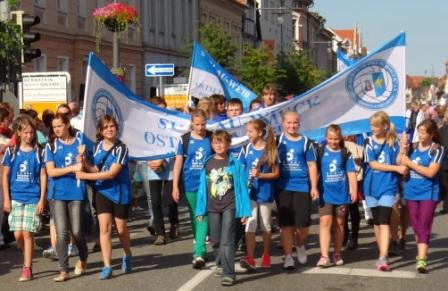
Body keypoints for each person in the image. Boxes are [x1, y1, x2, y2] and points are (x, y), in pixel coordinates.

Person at [76, 115, 133, 279]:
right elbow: (95, 169)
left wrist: (84, 176)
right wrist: (84, 161)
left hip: (119, 192)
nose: (110, 129)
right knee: (105, 228)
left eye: (112, 126)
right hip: (102, 192)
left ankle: (127, 253)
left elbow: (111, 174)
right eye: (106, 127)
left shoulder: (121, 148)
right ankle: (107, 266)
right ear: (100, 131)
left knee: (121, 228)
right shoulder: (97, 146)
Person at [196, 130, 251, 286]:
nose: (218, 145)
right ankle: (220, 263)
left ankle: (229, 273)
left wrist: (245, 211)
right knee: (215, 240)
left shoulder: (235, 164)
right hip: (212, 207)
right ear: (211, 144)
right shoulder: (208, 163)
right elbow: (202, 188)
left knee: (227, 241)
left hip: (230, 205)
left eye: (221, 142)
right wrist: (200, 210)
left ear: (228, 144)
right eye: (215, 142)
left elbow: (242, 189)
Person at [2, 115, 47, 281]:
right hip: (15, 197)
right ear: (18, 133)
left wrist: (42, 199)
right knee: (17, 235)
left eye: (32, 132)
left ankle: (27, 267)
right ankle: (26, 253)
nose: (29, 135)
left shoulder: (39, 152)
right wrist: (6, 198)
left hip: (32, 197)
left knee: (27, 234)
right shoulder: (12, 151)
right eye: (26, 132)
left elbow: (43, 175)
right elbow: (5, 175)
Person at [44, 113, 88, 282]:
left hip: (76, 192)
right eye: (54, 127)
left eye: (59, 126)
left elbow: (86, 166)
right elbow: (51, 172)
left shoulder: (79, 142)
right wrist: (72, 168)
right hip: (57, 194)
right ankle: (63, 270)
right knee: (62, 232)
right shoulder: (51, 146)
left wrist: (82, 160)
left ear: (67, 124)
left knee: (76, 231)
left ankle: (83, 259)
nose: (56, 129)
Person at [363, 111, 407, 271]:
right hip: (371, 186)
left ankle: (383, 256)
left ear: (384, 126)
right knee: (376, 222)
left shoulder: (393, 141)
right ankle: (382, 250)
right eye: (371, 125)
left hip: (388, 185)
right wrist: (396, 167)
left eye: (375, 125)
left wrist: (402, 149)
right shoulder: (368, 141)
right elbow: (373, 164)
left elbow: (398, 161)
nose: (372, 128)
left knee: (384, 220)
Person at [398, 119, 444, 273]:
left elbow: (431, 172)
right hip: (411, 191)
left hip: (428, 192)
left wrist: (410, 164)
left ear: (432, 134)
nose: (420, 135)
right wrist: (402, 148)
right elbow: (399, 162)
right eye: (419, 131)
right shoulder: (412, 147)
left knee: (424, 224)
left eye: (423, 132)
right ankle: (422, 249)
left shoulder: (437, 149)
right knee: (416, 225)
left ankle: (422, 259)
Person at [276, 111, 318, 269]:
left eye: (295, 123)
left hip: (302, 187)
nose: (292, 125)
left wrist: (313, 187)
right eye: (289, 122)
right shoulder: (278, 141)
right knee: (286, 225)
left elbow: (312, 165)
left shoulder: (306, 142)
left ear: (299, 124)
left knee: (304, 224)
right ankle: (288, 257)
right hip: (283, 187)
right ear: (283, 124)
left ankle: (300, 244)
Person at [172, 109, 213, 269]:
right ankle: (199, 241)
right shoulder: (185, 140)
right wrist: (175, 186)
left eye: (203, 124)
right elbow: (178, 164)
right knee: (194, 216)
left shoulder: (211, 137)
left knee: (202, 216)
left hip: (209, 184)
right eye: (197, 124)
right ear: (191, 123)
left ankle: (199, 252)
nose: (201, 127)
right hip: (190, 184)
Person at [239, 119, 279, 271]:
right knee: (251, 222)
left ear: (260, 132)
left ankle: (266, 254)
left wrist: (261, 175)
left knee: (266, 224)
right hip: (250, 193)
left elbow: (276, 173)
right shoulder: (246, 148)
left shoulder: (270, 150)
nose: (247, 134)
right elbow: (241, 170)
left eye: (250, 131)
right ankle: (250, 257)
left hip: (265, 192)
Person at [315, 125, 357, 268]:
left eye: (336, 139)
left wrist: (354, 190)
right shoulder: (320, 152)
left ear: (341, 138)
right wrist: (313, 188)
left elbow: (351, 173)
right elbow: (314, 171)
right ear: (326, 138)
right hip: (325, 195)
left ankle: (337, 252)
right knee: (325, 222)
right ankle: (324, 255)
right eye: (330, 139)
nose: (333, 141)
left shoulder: (345, 153)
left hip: (341, 195)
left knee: (339, 224)